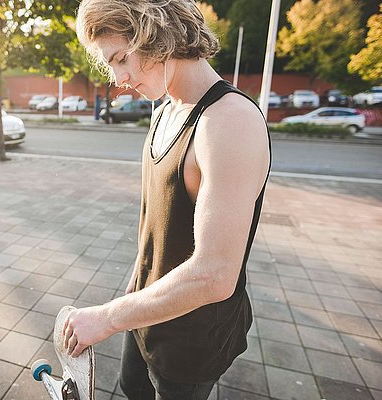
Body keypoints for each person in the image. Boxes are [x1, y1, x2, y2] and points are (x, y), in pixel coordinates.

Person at [63, 1, 271, 399]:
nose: (119, 79)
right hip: (144, 311)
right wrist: (128, 299)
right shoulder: (164, 108)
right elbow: (157, 225)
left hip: (191, 339)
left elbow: (214, 275)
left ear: (155, 31)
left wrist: (106, 319)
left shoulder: (228, 122)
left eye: (122, 58)